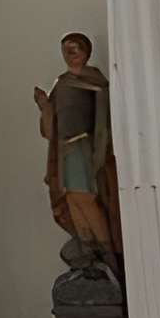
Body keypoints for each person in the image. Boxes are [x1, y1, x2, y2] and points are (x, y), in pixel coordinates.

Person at [34, 31, 119, 259]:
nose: (69, 55)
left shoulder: (94, 81)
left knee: (85, 198)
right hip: (65, 149)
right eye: (65, 51)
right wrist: (44, 105)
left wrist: (100, 152)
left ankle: (108, 254)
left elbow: (105, 117)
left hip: (85, 147)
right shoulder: (62, 84)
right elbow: (51, 125)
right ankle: (88, 250)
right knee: (71, 199)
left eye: (74, 49)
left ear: (85, 52)